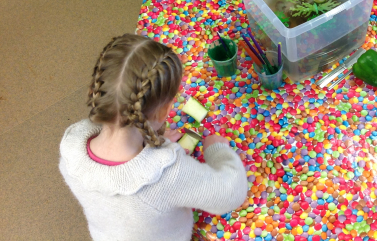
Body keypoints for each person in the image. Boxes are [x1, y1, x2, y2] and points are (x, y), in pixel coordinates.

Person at [59, 34, 248, 241]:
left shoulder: (71, 147)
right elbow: (230, 194)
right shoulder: (168, 175)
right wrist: (217, 151)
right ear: (163, 112)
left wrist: (152, 142)